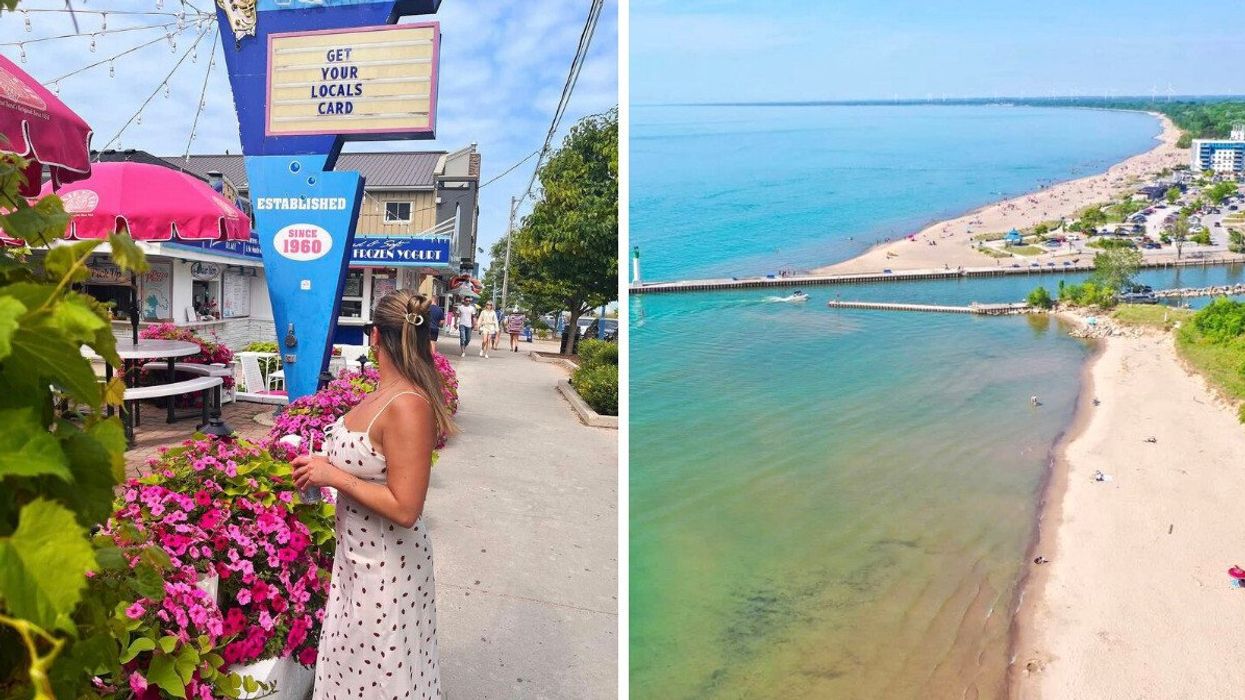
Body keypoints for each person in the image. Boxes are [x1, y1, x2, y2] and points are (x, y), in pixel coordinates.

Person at [293, 290, 456, 699]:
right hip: (357, 561)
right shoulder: (380, 394)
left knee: (383, 675)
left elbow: (406, 508)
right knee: (355, 669)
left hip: (388, 567)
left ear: (375, 337)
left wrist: (333, 476)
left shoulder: (407, 405)